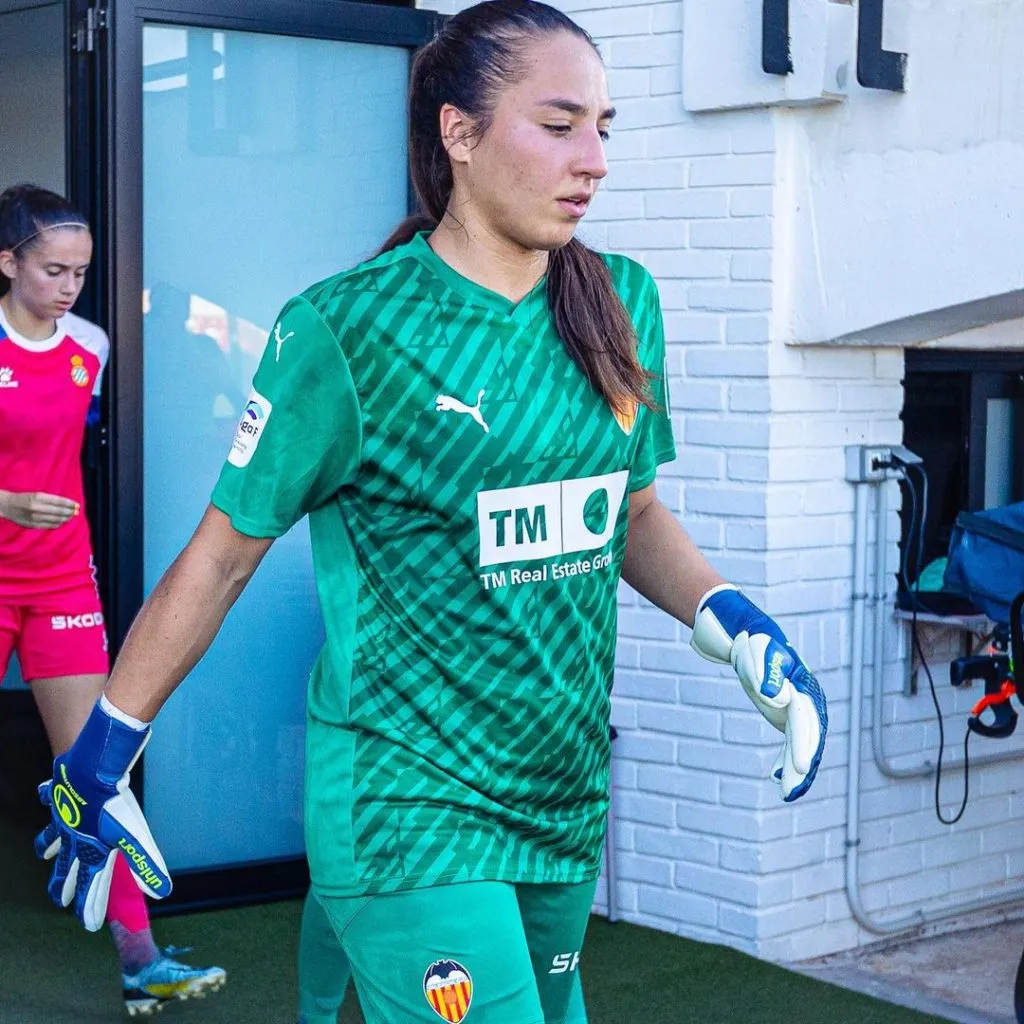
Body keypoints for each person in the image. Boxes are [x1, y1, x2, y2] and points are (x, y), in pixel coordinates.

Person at [36, 3, 828, 1023]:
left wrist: (732, 619)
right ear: (457, 133)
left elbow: (626, 516)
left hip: (560, 789)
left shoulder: (619, 300)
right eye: (556, 124)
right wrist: (103, 751)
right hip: (407, 796)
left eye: (604, 126)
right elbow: (222, 556)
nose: (592, 158)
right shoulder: (347, 327)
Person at [0, 183, 226, 1018]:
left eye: (80, 272)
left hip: (61, 580)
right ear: (7, 263)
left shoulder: (90, 343)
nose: (69, 287)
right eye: (53, 270)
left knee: (97, 778)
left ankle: (142, 960)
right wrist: (6, 504)